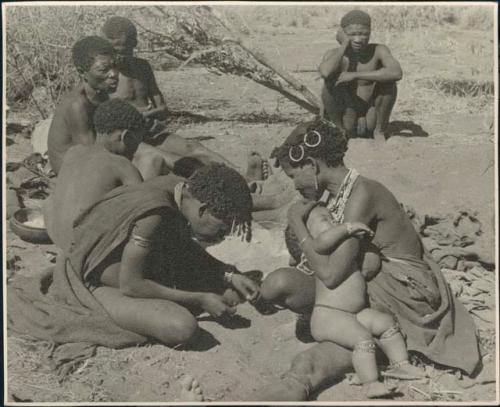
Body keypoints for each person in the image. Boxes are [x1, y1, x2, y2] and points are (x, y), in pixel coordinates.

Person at [255, 118, 480, 400]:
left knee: (308, 312)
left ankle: (309, 372)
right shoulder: (341, 194)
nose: (295, 187)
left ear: (312, 165)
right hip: (369, 279)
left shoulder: (361, 194)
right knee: (282, 284)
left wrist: (297, 225)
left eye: (294, 176)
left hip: (403, 291)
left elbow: (331, 275)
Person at [78, 163, 260, 346]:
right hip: (93, 282)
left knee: (226, 292)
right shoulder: (155, 214)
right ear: (203, 210)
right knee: (181, 327)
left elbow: (182, 245)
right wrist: (201, 299)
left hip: (137, 268)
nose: (222, 236)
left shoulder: (182, 190)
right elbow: (131, 286)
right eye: (221, 229)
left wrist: (228, 274)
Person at [294, 204, 424, 398]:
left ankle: (401, 365)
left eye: (332, 218)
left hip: (353, 314)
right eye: (324, 220)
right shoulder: (319, 248)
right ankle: (370, 383)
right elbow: (322, 242)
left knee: (386, 323)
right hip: (328, 316)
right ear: (310, 233)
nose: (333, 222)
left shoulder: (341, 247)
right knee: (362, 339)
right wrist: (348, 227)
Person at [101, 16, 240, 174]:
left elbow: (163, 108)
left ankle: (242, 175)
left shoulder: (143, 67)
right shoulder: (105, 77)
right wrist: (140, 116)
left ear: (134, 43)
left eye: (126, 50)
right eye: (114, 51)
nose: (120, 57)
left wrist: (150, 115)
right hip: (128, 140)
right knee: (172, 160)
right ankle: (221, 184)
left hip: (151, 132)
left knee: (192, 147)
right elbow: (103, 122)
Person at [44, 99, 145, 254]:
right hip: (88, 252)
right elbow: (144, 210)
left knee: (52, 199)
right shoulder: (121, 165)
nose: (134, 151)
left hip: (58, 240)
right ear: (126, 137)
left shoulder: (73, 152)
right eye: (135, 145)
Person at [319, 10, 402, 142]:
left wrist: (355, 75)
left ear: (370, 33)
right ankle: (339, 131)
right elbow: (325, 72)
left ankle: (379, 131)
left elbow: (396, 72)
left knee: (389, 82)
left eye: (364, 34)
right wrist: (344, 45)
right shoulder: (335, 54)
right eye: (352, 34)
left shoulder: (379, 50)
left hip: (371, 115)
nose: (358, 39)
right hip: (347, 116)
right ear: (343, 34)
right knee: (329, 84)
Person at [47, 36, 119, 174]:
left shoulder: (100, 94)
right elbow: (93, 154)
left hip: (88, 160)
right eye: (104, 70)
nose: (114, 74)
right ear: (81, 72)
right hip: (71, 173)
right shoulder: (77, 105)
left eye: (115, 66)